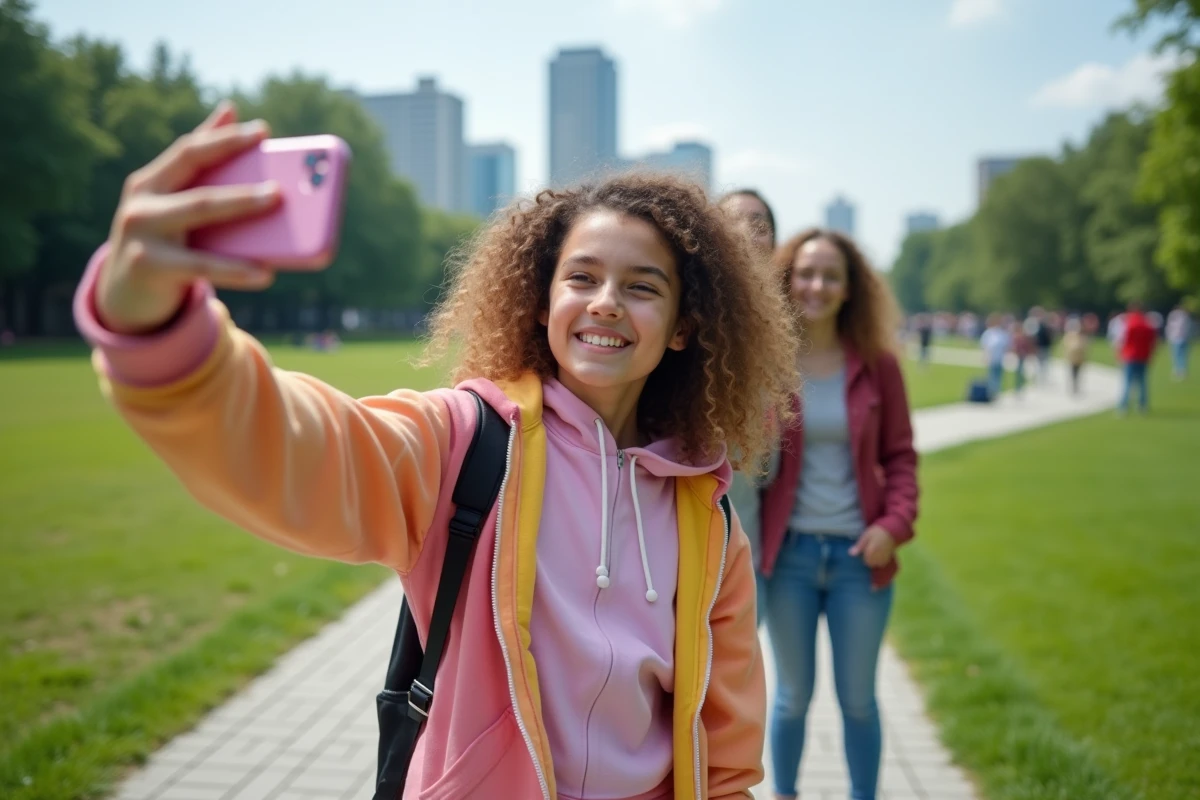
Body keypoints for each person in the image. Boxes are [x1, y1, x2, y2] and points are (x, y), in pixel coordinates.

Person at [71, 103, 802, 800]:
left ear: (681, 327)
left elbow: (727, 755)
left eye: (642, 287)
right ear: (542, 301)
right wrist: (162, 331)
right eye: (581, 277)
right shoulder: (466, 443)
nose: (606, 301)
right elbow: (301, 449)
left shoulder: (708, 516)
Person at [758, 228, 919, 800]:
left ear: (850, 289)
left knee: (857, 700)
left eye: (830, 275)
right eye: (805, 272)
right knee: (792, 697)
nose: (816, 285)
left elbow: (900, 456)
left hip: (859, 558)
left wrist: (892, 526)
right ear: (787, 278)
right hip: (791, 558)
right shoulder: (770, 363)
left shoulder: (877, 366)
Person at [719, 188, 785, 625]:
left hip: (746, 546)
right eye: (732, 221)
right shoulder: (677, 313)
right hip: (673, 549)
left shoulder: (781, 330)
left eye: (759, 224)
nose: (746, 232)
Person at [1117, 302, 1157, 415]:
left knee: (1127, 382)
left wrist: (1120, 354)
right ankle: (1142, 405)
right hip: (1143, 356)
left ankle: (1123, 406)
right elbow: (1152, 342)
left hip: (1130, 355)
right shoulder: (1147, 324)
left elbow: (1124, 340)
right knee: (1142, 382)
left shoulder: (1130, 323)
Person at [980, 313, 1011, 398]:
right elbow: (985, 346)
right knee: (991, 376)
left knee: (998, 376)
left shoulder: (1002, 333)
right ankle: (991, 393)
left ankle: (996, 392)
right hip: (991, 358)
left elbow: (1006, 347)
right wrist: (985, 356)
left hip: (999, 358)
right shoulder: (989, 333)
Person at [1062, 316, 1089, 396]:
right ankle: (1073, 386)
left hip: (1079, 358)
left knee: (1078, 373)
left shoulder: (1082, 336)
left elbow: (1085, 348)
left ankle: (1076, 386)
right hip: (1072, 358)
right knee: (1073, 373)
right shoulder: (1070, 336)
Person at [1166, 305, 1193, 380]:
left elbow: (1170, 328)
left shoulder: (1175, 315)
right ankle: (1182, 371)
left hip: (1176, 338)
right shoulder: (1184, 316)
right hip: (1182, 338)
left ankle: (1178, 371)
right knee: (1182, 356)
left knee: (1177, 356)